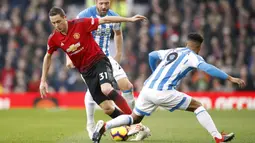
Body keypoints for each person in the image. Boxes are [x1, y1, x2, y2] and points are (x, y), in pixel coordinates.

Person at [92, 33, 246, 143]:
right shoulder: (193, 56)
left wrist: (154, 73)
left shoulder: (174, 50)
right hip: (163, 92)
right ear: (199, 48)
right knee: (198, 106)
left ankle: (104, 127)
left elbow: (152, 55)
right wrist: (230, 78)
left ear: (187, 43)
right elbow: (208, 68)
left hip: (147, 89)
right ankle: (218, 137)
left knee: (134, 118)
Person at [39, 6, 146, 136]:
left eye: (58, 21)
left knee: (107, 89)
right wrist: (43, 80)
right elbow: (47, 56)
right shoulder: (54, 38)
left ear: (65, 18)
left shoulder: (80, 24)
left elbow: (105, 20)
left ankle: (135, 122)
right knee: (108, 108)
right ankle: (130, 125)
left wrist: (129, 19)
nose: (57, 25)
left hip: (99, 60)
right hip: (86, 72)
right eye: (53, 23)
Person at [66, 0, 150, 141]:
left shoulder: (114, 16)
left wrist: (118, 54)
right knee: (103, 101)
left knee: (127, 86)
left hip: (106, 57)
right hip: (88, 60)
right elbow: (70, 36)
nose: (104, 6)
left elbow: (118, 33)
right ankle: (91, 124)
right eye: (101, 3)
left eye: (106, 3)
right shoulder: (84, 15)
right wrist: (69, 58)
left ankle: (136, 123)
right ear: (95, 2)